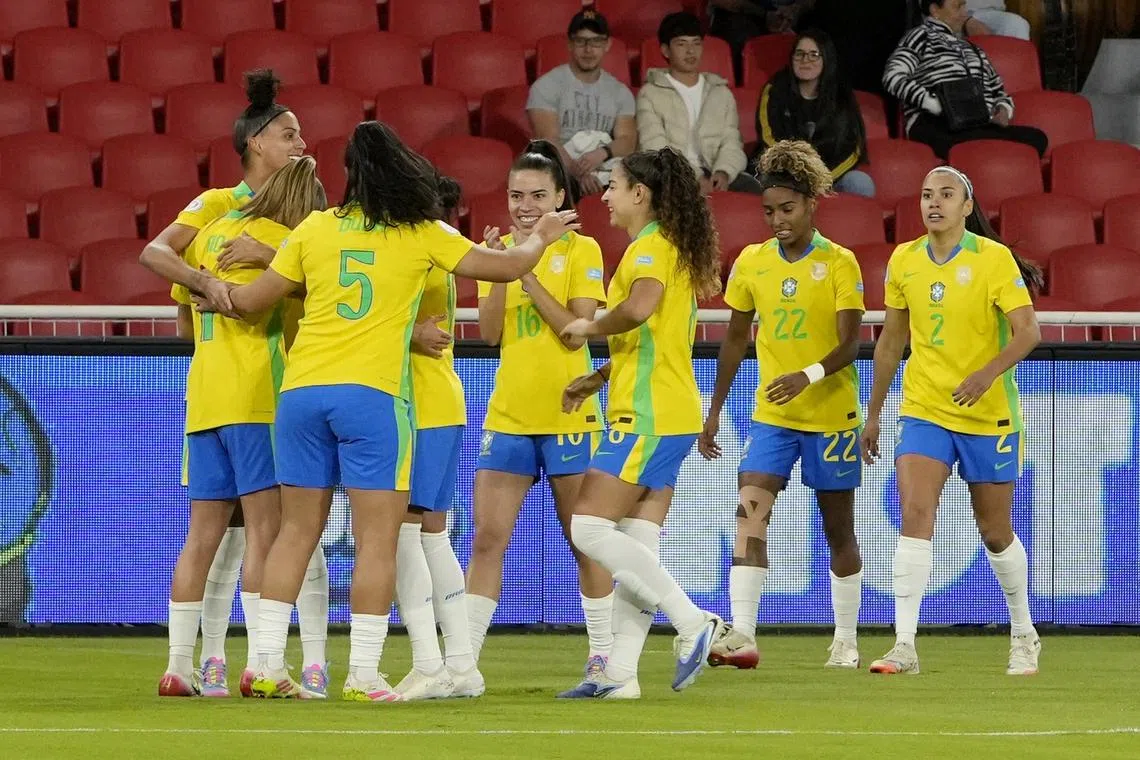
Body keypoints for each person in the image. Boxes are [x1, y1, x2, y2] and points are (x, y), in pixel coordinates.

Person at [205, 121, 580, 702]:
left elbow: (252, 301)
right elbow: (505, 268)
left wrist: (206, 285)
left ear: (351, 176)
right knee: (379, 540)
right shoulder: (420, 233)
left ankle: (265, 666)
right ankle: (362, 674)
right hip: (371, 398)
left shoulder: (316, 227)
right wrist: (546, 235)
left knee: (295, 533)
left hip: (300, 395)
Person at [141, 70, 331, 699]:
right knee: (267, 532)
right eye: (288, 134)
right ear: (255, 145)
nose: (301, 144)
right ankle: (262, 665)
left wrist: (202, 297)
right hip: (259, 396)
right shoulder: (248, 219)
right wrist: (218, 287)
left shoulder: (218, 234)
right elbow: (156, 254)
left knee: (201, 536)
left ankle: (178, 666)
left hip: (207, 398)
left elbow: (179, 306)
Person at [861, 165, 1044, 676]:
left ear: (967, 206)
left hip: (988, 415)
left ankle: (1024, 632)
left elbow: (1028, 331)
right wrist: (873, 414)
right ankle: (904, 645)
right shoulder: (905, 260)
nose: (933, 203)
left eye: (946, 194)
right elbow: (892, 342)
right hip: (924, 409)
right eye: (925, 195)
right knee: (915, 512)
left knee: (994, 530)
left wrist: (988, 373)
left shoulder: (992, 259)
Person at [558, 147, 725, 699]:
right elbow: (655, 340)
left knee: (587, 527)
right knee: (635, 544)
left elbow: (640, 309)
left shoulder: (651, 248)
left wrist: (587, 327)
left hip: (648, 414)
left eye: (614, 184)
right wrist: (600, 376)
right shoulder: (664, 247)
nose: (604, 194)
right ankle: (621, 676)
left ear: (641, 193)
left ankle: (693, 621)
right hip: (667, 409)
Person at [699, 140, 865, 670]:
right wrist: (715, 409)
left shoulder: (840, 262)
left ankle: (845, 637)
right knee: (749, 513)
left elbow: (850, 344)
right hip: (773, 416)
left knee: (837, 529)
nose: (777, 220)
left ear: (812, 203)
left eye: (786, 209)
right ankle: (742, 634)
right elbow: (734, 339)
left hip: (831, 414)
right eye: (768, 211)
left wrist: (807, 375)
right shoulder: (751, 262)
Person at [461, 140, 612, 696]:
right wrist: (505, 265)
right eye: (516, 195)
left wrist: (525, 270)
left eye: (537, 196)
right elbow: (489, 334)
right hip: (509, 415)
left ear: (560, 199)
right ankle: (465, 663)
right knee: (485, 540)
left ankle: (601, 659)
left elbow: (576, 328)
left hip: (569, 416)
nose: (525, 206)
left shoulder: (583, 251)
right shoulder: (496, 254)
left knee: (585, 542)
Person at [392, 176, 484, 701]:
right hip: (443, 401)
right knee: (431, 536)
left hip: (420, 405)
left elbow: (373, 319)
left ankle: (430, 664)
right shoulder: (443, 246)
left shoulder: (419, 249)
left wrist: (408, 334)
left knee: (405, 536)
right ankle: (462, 665)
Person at [883, 0, 1048, 159]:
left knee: (1037, 138)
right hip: (935, 122)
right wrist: (934, 104)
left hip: (976, 123)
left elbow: (998, 89)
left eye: (964, 7)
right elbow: (893, 77)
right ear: (935, 10)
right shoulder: (919, 36)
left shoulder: (973, 49)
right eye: (957, 7)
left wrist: (1003, 108)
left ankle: (988, 150)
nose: (964, 13)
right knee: (982, 142)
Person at [637, 12, 760, 195]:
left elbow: (731, 141)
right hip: (673, 174)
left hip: (715, 172)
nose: (690, 51)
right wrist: (693, 176)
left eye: (696, 43)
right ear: (665, 50)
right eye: (681, 44)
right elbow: (655, 146)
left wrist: (724, 171)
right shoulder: (650, 93)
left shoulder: (720, 92)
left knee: (754, 190)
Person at [527, 10, 637, 196]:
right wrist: (577, 173)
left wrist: (602, 153)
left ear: (607, 44)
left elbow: (627, 141)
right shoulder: (546, 86)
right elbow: (548, 140)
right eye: (581, 41)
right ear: (570, 43)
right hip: (560, 172)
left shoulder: (620, 92)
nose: (588, 49)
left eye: (596, 42)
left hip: (605, 171)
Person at [756, 30, 875, 197]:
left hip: (830, 176)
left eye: (814, 55)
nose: (806, 60)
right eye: (800, 54)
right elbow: (769, 138)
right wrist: (798, 174)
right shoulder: (776, 89)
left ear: (826, 59)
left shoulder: (842, 95)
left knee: (860, 183)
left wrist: (821, 179)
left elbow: (853, 147)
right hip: (785, 171)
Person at [965, 1, 1031, 40]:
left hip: (995, 11)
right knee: (1015, 24)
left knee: (1016, 24)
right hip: (967, 13)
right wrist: (966, 20)